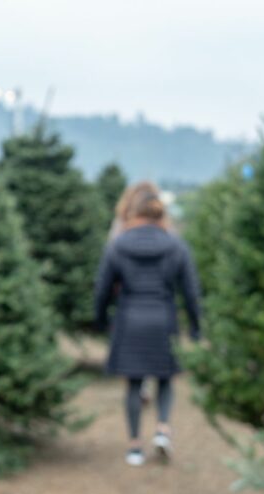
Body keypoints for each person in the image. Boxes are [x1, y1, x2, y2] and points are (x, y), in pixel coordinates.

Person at [94, 181, 201, 467]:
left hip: (129, 319)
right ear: (161, 215)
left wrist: (101, 320)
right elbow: (191, 290)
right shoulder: (176, 246)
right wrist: (195, 326)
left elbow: (102, 289)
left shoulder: (117, 245)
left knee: (134, 383)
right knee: (164, 379)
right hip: (163, 318)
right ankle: (163, 429)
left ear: (133, 213)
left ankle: (134, 447)